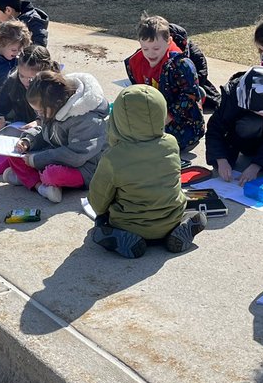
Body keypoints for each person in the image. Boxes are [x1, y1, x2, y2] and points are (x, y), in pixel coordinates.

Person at [88, 85, 207, 258]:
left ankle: (117, 236)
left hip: (130, 226)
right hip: (170, 220)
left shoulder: (113, 158)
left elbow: (98, 202)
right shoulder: (172, 144)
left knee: (100, 223)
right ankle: (178, 228)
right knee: (183, 208)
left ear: (119, 119)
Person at [0, 70, 108, 204]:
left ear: (57, 103)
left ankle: (30, 179)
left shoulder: (88, 119)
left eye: (41, 111)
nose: (39, 115)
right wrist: (27, 141)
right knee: (14, 155)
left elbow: (76, 156)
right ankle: (40, 186)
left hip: (87, 167)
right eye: (36, 111)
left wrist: (37, 160)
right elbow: (45, 132)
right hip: (56, 155)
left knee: (52, 175)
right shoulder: (54, 108)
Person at [123, 14, 204, 155]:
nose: (150, 54)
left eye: (156, 48)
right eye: (145, 48)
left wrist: (165, 118)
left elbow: (189, 97)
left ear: (169, 41)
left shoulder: (181, 64)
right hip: (152, 116)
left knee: (155, 145)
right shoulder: (136, 62)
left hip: (182, 120)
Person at [205, 66, 263, 185]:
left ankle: (257, 158)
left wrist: (256, 166)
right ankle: (248, 153)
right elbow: (215, 128)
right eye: (257, 110)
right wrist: (220, 159)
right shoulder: (232, 93)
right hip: (244, 136)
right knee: (249, 125)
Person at [0, 44, 56, 131]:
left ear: (44, 72)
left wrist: (39, 122)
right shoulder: (13, 80)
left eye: (31, 78)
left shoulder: (55, 86)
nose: (26, 81)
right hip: (20, 129)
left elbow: (59, 117)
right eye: (22, 76)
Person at [165, 21, 220, 111]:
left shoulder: (195, 53)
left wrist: (187, 81)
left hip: (190, 83)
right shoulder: (157, 50)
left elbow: (202, 74)